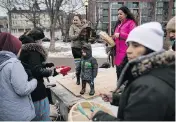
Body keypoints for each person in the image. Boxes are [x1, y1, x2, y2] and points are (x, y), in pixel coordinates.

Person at [91, 22, 175, 121]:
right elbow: (144, 106)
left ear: (151, 49)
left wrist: (100, 117)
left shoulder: (148, 87)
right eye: (128, 44)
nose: (128, 50)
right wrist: (117, 98)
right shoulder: (156, 72)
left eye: (135, 45)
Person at [19, 28, 59, 121]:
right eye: (41, 40)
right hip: (37, 91)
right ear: (36, 40)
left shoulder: (25, 49)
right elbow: (36, 70)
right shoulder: (33, 50)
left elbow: (31, 65)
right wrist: (51, 72)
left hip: (30, 89)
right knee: (42, 115)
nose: (42, 42)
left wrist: (44, 65)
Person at [0, 32, 37, 121]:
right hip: (18, 115)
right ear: (13, 47)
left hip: (5, 113)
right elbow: (23, 89)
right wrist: (34, 80)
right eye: (20, 48)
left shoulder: (2, 62)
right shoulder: (13, 64)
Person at [112, 6, 136, 80]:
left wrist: (120, 35)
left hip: (126, 53)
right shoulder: (118, 25)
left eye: (121, 14)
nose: (119, 16)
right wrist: (110, 39)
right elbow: (116, 37)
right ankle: (119, 88)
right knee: (118, 72)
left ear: (126, 14)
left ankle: (125, 89)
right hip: (117, 53)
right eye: (118, 14)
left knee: (125, 73)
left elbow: (133, 36)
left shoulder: (131, 23)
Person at [69, 14, 89, 85]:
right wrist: (79, 34)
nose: (74, 21)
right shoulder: (72, 27)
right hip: (75, 48)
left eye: (76, 20)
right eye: (74, 20)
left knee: (85, 64)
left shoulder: (85, 26)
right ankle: (78, 78)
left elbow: (89, 36)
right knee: (78, 65)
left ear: (80, 20)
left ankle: (84, 79)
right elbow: (71, 37)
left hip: (84, 48)